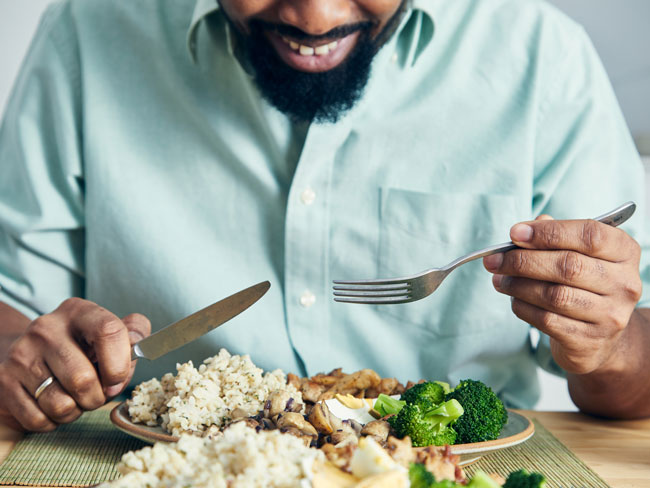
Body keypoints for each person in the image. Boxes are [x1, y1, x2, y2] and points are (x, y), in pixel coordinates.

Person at [0, 0, 649, 433]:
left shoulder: (541, 54)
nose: (315, 16)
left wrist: (610, 344)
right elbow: (10, 313)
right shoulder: (89, 30)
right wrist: (24, 356)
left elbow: (636, 371)